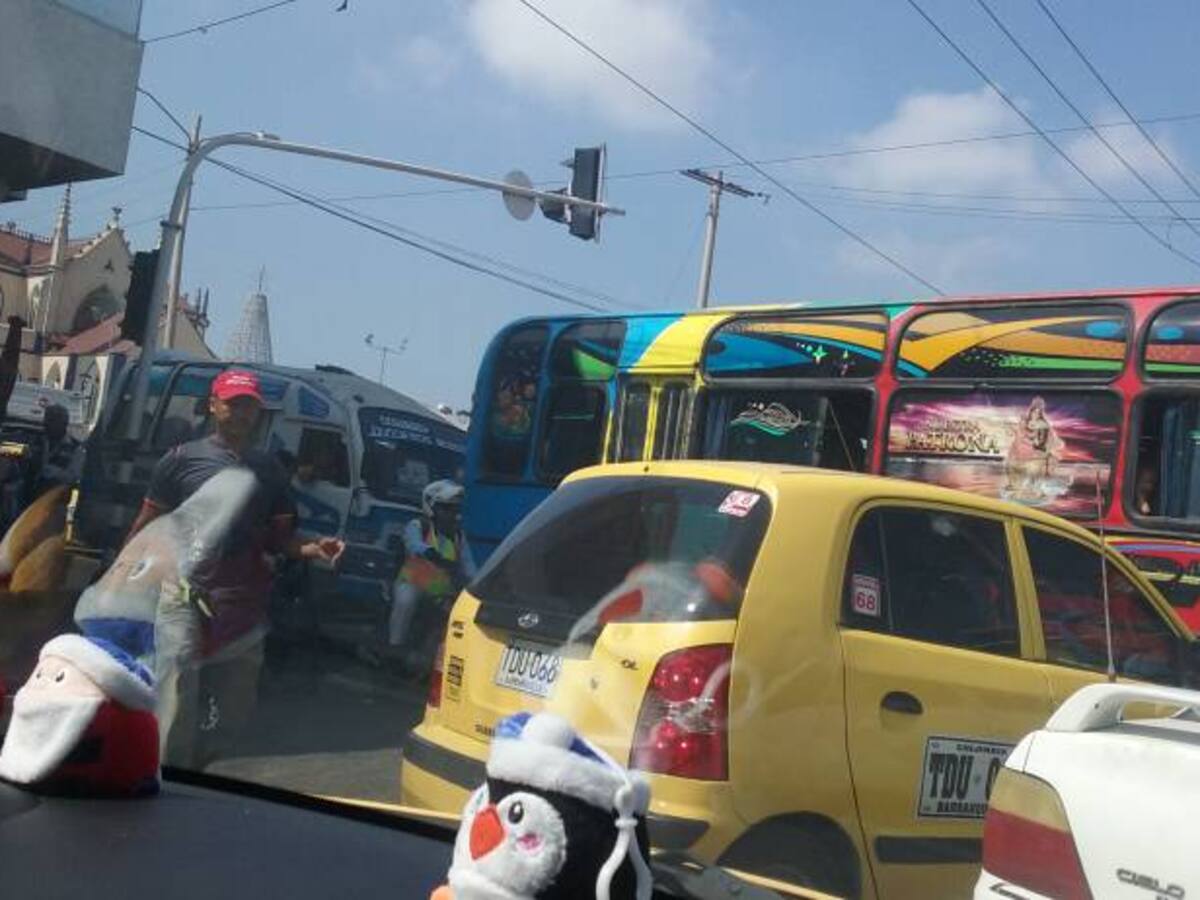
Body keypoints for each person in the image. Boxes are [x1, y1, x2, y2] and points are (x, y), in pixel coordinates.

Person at [125, 369, 344, 765]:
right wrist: (124, 576)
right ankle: (169, 778)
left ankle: (201, 771)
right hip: (183, 596)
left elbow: (280, 539)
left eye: (249, 406)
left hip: (243, 605)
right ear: (213, 405)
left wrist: (314, 548)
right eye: (233, 403)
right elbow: (147, 524)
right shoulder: (180, 461)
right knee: (175, 700)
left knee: (234, 711)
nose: (242, 412)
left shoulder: (270, 472)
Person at [386, 479, 474, 674]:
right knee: (406, 602)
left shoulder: (458, 536)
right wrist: (428, 552)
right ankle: (394, 650)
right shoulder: (418, 525)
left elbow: (469, 567)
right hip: (412, 584)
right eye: (446, 508)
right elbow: (413, 544)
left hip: (440, 593)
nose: (452, 514)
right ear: (432, 508)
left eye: (454, 509)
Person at [33, 404, 83, 496]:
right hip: (28, 494)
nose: (47, 424)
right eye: (47, 420)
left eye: (53, 421)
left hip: (56, 498)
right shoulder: (35, 440)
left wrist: (52, 472)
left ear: (64, 424)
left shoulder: (76, 448)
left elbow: (74, 477)